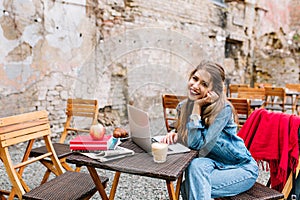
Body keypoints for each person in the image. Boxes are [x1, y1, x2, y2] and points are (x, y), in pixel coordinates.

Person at [161, 60, 258, 199]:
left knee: (189, 187)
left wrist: (197, 107)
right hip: (212, 163)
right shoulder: (183, 106)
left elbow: (198, 145)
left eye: (204, 84)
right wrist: (176, 134)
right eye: (195, 79)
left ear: (214, 91)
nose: (195, 86)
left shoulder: (223, 110)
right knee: (195, 166)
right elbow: (190, 142)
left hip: (241, 168)